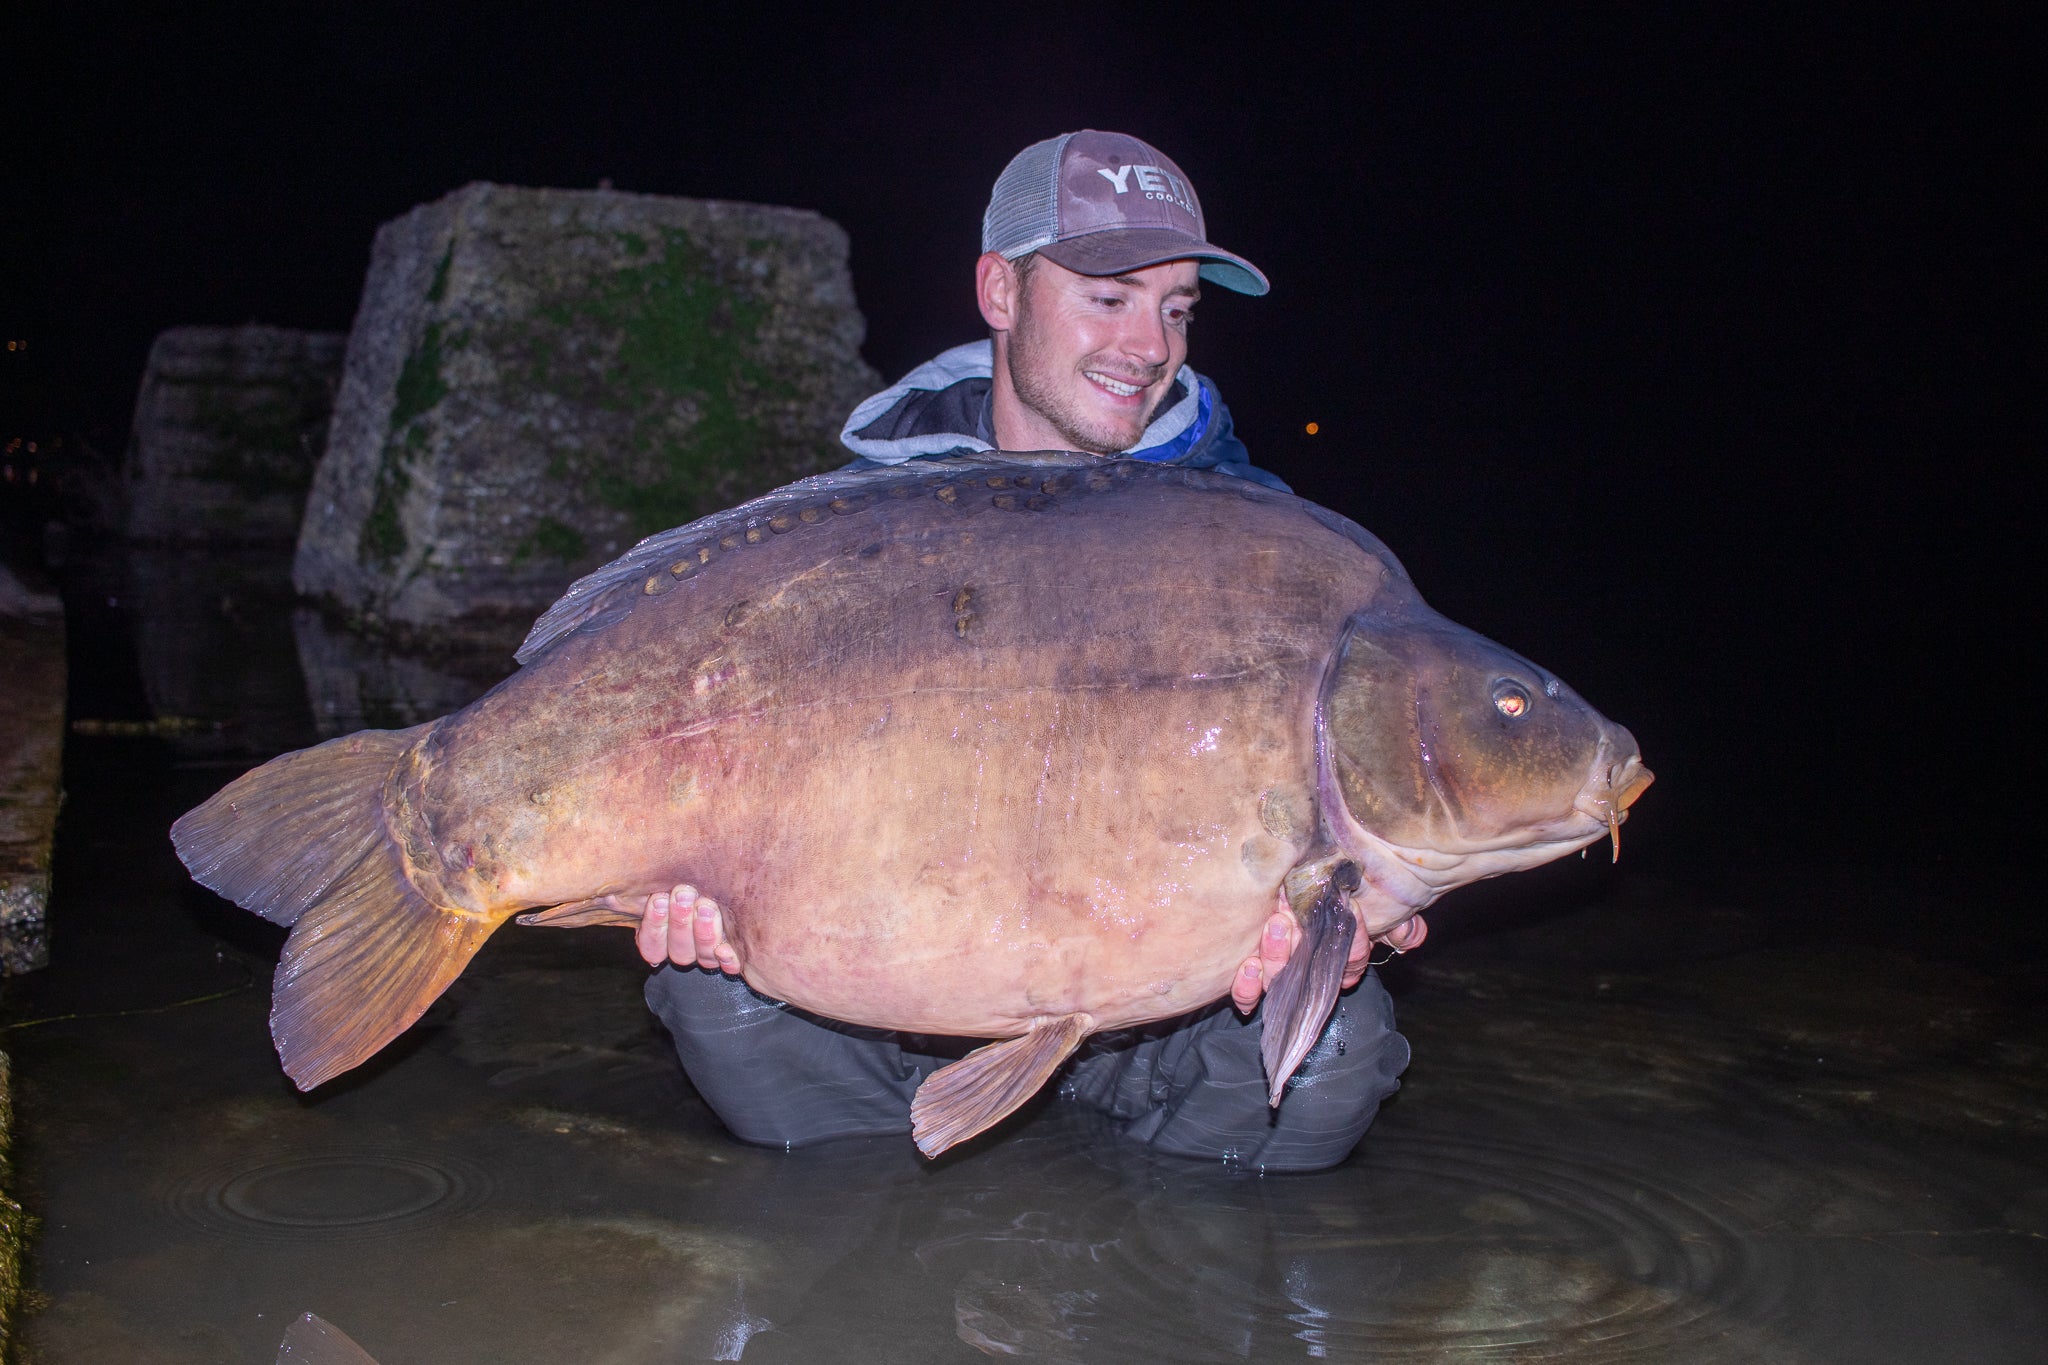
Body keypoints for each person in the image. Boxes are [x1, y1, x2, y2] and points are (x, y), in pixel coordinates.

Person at [636, 131, 1423, 1171]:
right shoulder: (860, 534)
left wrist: (1366, 907)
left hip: (1163, 1004)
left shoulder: (1259, 553)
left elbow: (1345, 822)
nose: (1149, 345)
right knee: (708, 992)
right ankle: (870, 1288)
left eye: (1175, 308)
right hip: (889, 998)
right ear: (998, 292)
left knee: (1329, 1050)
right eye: (1109, 297)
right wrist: (702, 883)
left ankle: (1164, 1293)